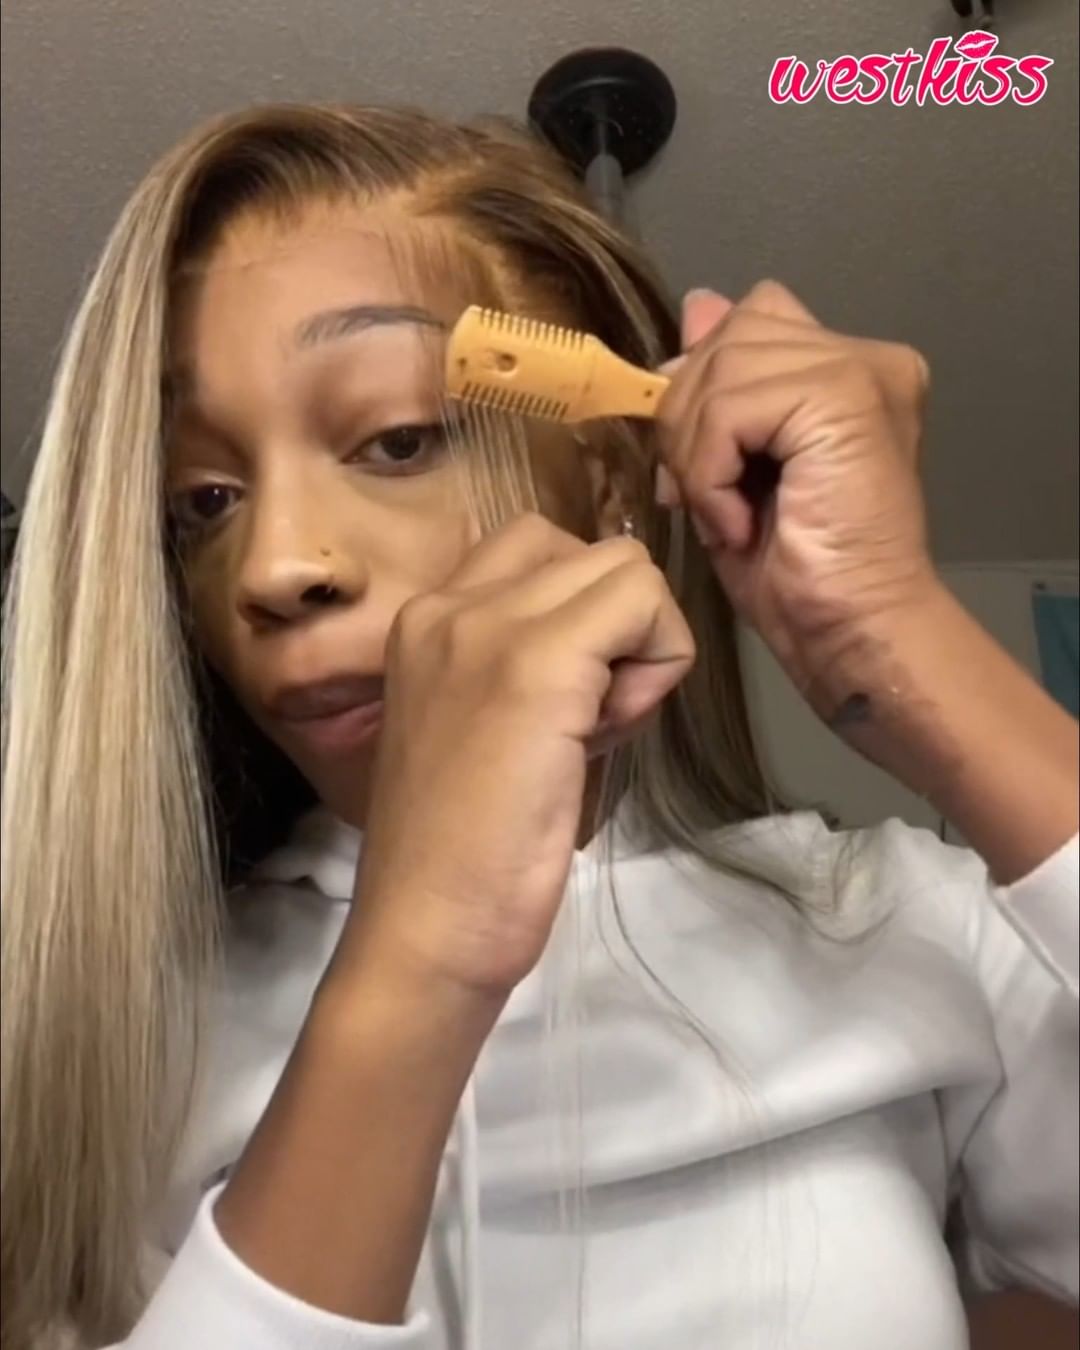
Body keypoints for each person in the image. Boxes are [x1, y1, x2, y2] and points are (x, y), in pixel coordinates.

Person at [0, 103, 1075, 1350]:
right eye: (204, 501)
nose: (276, 565)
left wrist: (895, 629)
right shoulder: (117, 1043)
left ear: (606, 480)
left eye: (398, 439)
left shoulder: (895, 925)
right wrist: (420, 953)